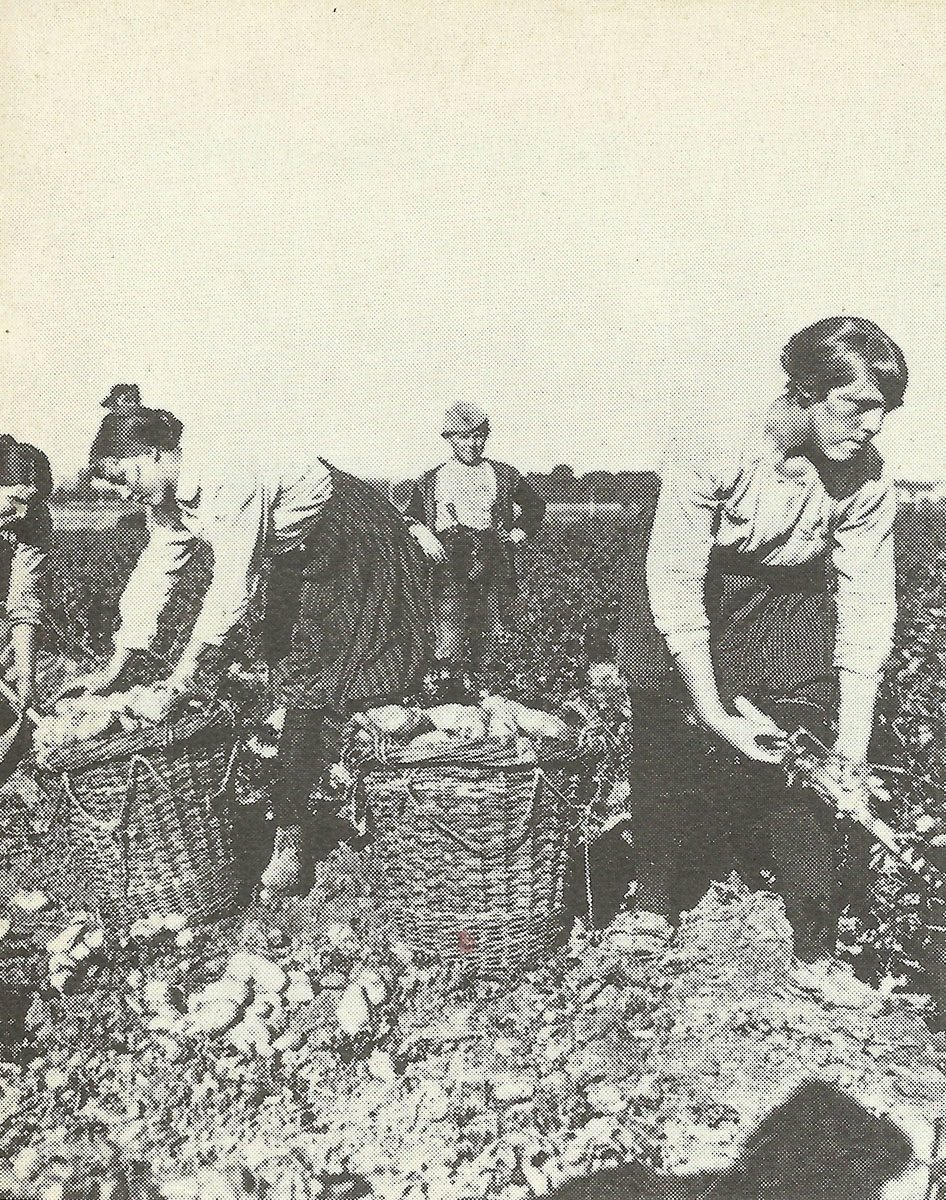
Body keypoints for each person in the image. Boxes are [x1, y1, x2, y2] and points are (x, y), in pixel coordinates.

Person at [616, 316, 907, 963]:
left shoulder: (866, 475)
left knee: (802, 734)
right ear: (806, 388)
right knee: (667, 718)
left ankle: (815, 944)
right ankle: (654, 895)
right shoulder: (714, 444)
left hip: (788, 584)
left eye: (884, 411)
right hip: (691, 570)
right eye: (859, 405)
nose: (874, 426)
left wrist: (851, 748)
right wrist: (713, 711)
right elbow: (676, 588)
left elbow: (866, 605)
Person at [70, 407, 431, 893]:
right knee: (275, 669)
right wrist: (115, 667)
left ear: (155, 457)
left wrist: (179, 681)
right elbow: (156, 575)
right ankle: (296, 777)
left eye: (128, 478)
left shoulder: (226, 476)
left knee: (315, 684)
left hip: (352, 534)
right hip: (299, 549)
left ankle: (294, 837)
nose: (127, 495)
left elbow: (232, 591)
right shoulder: (167, 500)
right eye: (116, 487)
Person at [406, 402, 546, 687]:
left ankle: (494, 688)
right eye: (464, 436)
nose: (472, 443)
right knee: (450, 623)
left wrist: (518, 534)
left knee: (496, 624)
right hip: (449, 561)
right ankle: (451, 688)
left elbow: (535, 506)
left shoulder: (504, 474)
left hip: (493, 557)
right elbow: (410, 517)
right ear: (449, 439)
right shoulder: (432, 479)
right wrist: (425, 534)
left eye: (479, 436)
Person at [0, 435, 53, 713]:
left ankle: (24, 690)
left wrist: (26, 682)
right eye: (17, 498)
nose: (22, 509)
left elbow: (25, 602)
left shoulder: (34, 517)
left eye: (32, 500)